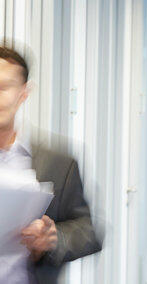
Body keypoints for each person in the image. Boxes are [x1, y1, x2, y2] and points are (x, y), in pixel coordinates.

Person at [0, 43, 101, 283]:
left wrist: (55, 239)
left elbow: (89, 231)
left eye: (4, 87)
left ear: (24, 92)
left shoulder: (58, 163)